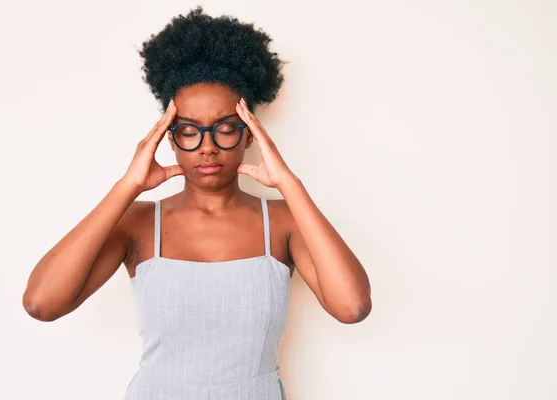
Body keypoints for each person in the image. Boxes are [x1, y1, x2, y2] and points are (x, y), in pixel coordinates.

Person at [22, 6, 371, 400]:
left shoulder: (285, 221)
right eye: (188, 131)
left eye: (225, 129)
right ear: (169, 139)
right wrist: (127, 187)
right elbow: (41, 303)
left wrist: (290, 185)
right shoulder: (137, 223)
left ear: (251, 136)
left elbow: (352, 307)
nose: (207, 147)